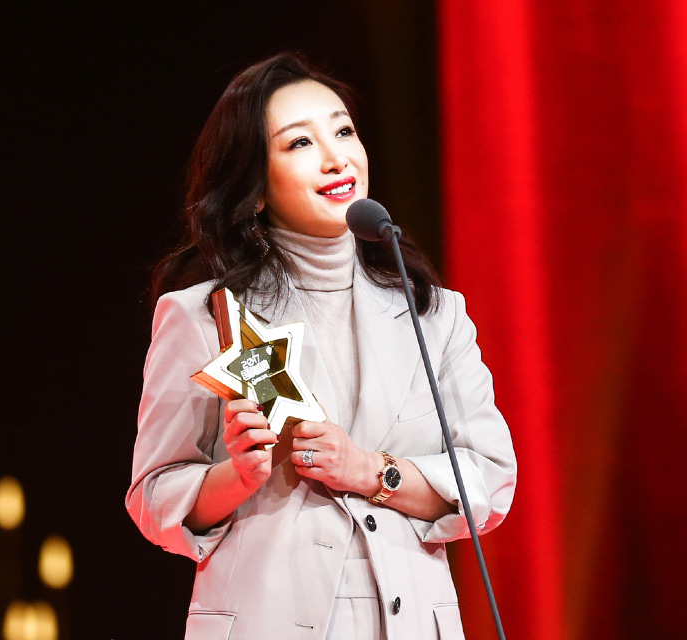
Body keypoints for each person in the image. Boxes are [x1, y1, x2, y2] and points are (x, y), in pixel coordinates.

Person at [126, 52, 517, 640]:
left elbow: (489, 478)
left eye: (343, 132)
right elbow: (154, 496)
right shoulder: (205, 315)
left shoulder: (435, 314)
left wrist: (370, 471)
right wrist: (238, 476)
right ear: (255, 187)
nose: (337, 158)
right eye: (300, 143)